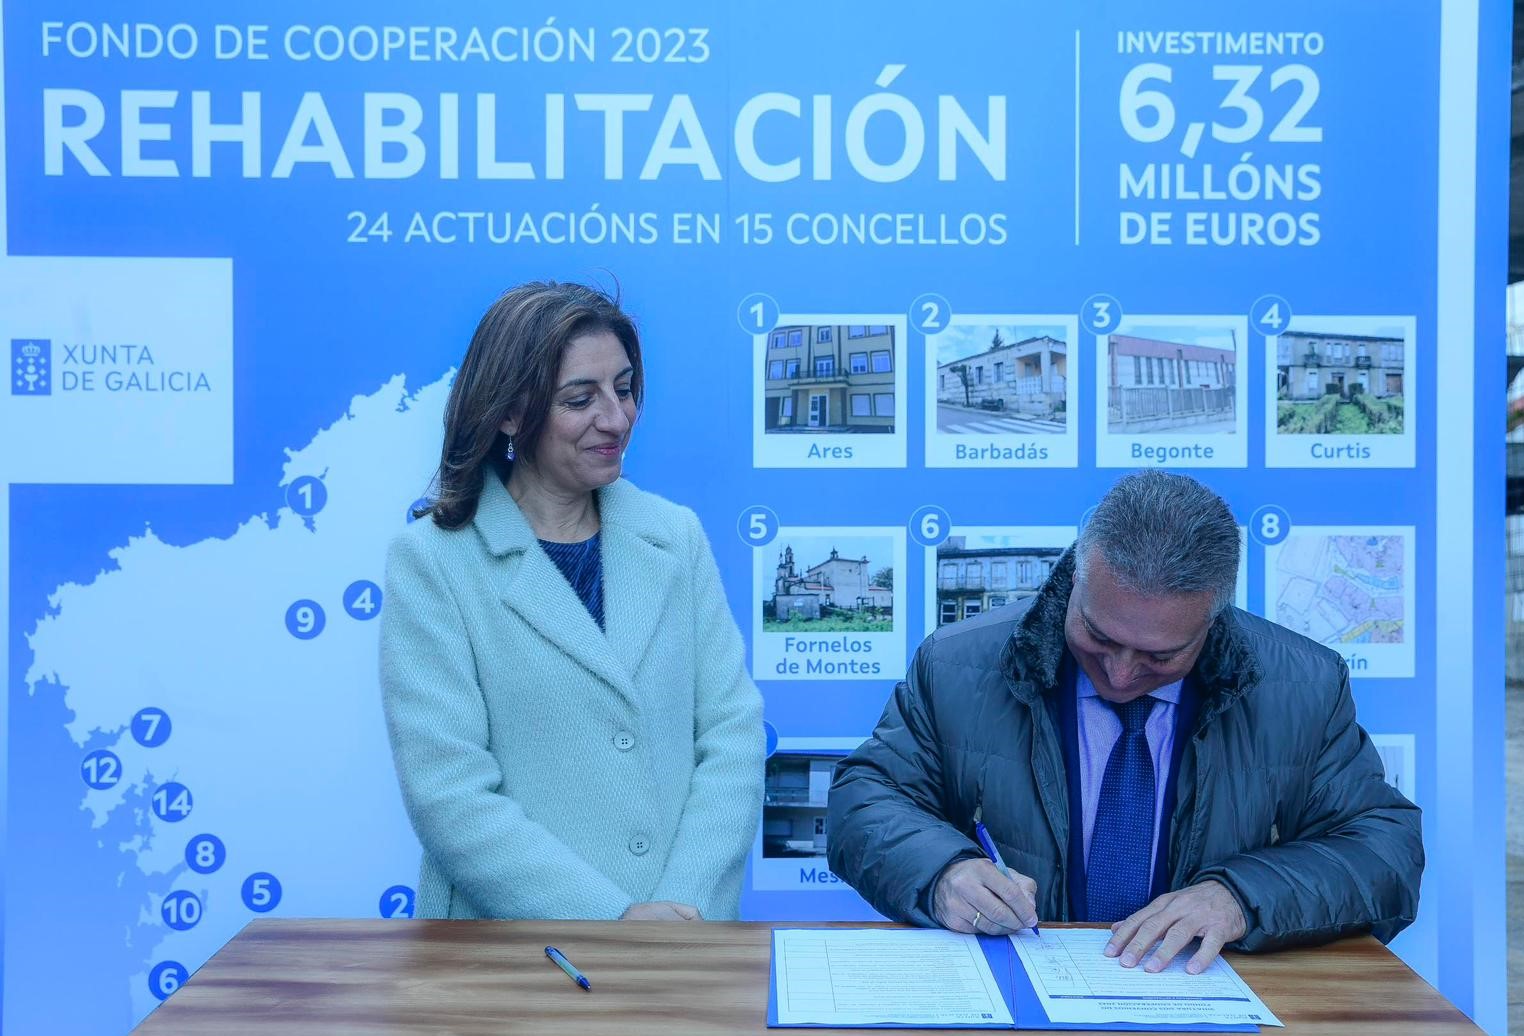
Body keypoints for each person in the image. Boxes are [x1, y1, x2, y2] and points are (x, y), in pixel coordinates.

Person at [827, 470, 1422, 974]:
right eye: (1098, 635)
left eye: (1161, 656)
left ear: (1213, 619)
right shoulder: (958, 664)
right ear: (1076, 579)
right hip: (1015, 1002)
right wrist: (942, 872)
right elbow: (864, 801)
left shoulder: (1304, 686)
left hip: (1210, 1007)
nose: (1119, 673)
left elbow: (1385, 852)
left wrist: (1242, 897)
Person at [381, 281, 764, 921]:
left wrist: (682, 910)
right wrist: (613, 920)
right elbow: (449, 793)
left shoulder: (676, 537)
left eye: (625, 388)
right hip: (515, 956)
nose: (616, 418)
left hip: (681, 944)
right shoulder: (434, 562)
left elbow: (731, 735)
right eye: (580, 399)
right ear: (509, 413)